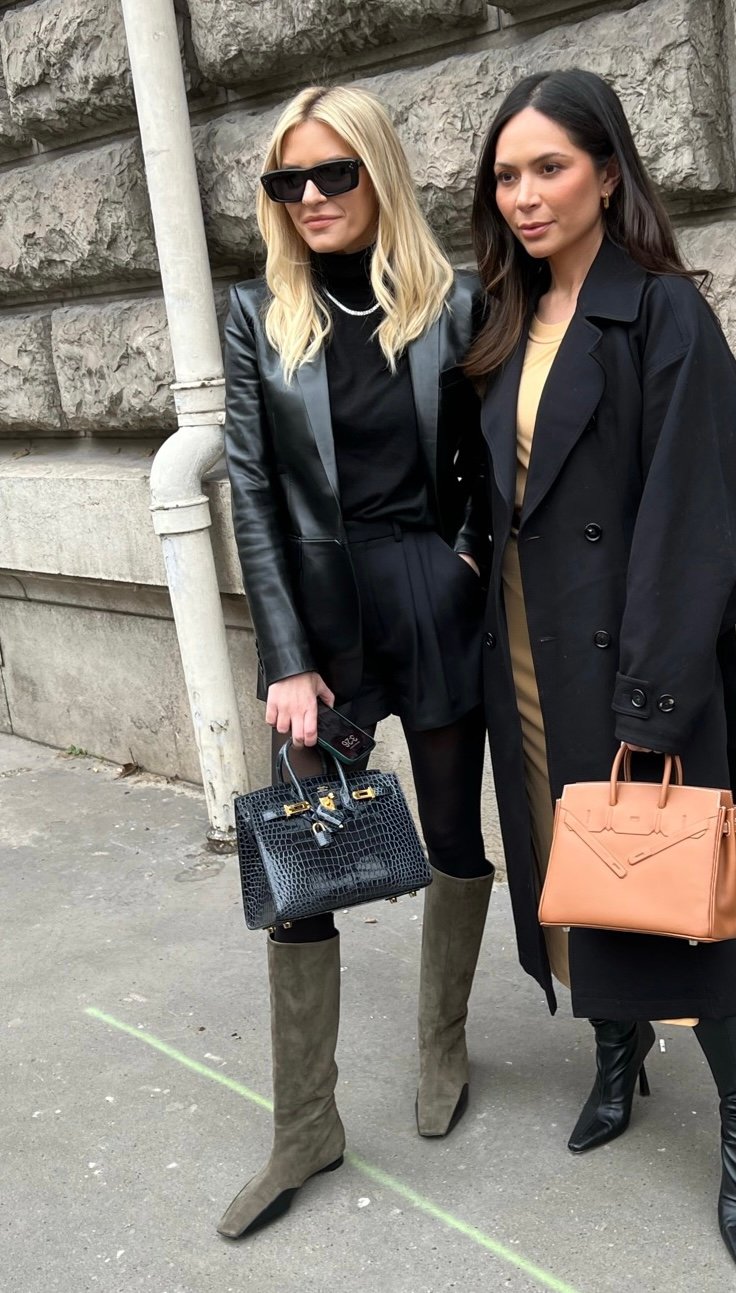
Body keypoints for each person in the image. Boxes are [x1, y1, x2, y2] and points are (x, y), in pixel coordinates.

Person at [466, 69, 736, 1269]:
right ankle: (618, 1054)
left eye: (549, 166)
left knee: (685, 903)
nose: (525, 195)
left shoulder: (660, 312)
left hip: (632, 652)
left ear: (608, 172)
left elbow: (706, 503)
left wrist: (656, 694)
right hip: (525, 645)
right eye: (507, 174)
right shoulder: (505, 318)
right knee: (565, 863)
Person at [219, 84, 493, 1239]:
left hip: (433, 595)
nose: (314, 197)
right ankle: (305, 1128)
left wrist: (468, 566)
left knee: (450, 836)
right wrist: (285, 656)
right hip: (320, 631)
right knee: (302, 867)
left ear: (377, 174)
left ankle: (441, 1047)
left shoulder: (454, 304)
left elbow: (494, 463)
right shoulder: (255, 315)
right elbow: (254, 491)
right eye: (292, 182)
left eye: (335, 174)